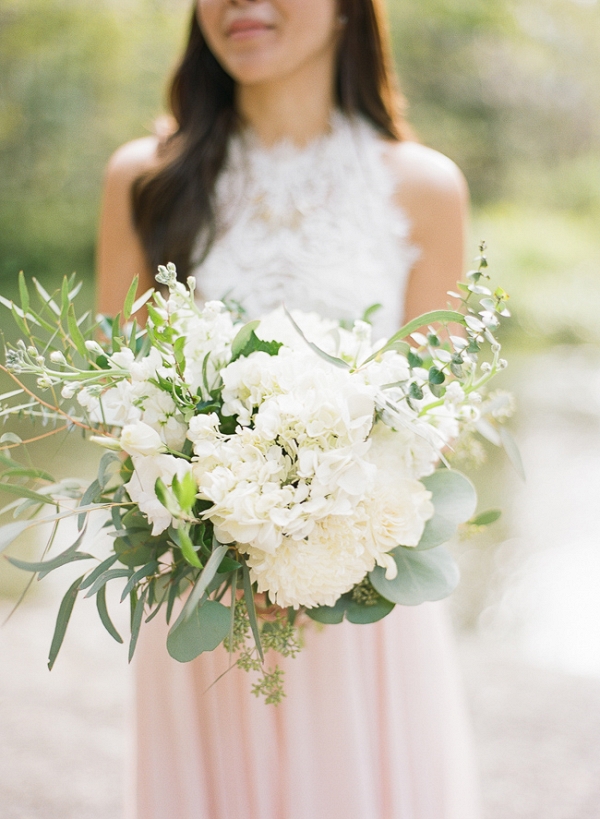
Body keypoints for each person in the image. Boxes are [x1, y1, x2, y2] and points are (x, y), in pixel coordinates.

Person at [97, 1, 481, 817]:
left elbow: (431, 428)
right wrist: (221, 530)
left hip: (361, 607)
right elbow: (114, 404)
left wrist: (321, 548)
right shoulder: (145, 176)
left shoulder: (423, 188)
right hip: (200, 599)